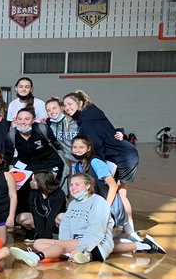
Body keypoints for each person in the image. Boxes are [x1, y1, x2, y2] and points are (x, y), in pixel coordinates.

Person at [10, 173, 161, 266]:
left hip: (94, 242)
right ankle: (143, 245)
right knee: (38, 243)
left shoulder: (98, 202)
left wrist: (81, 247)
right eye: (71, 185)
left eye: (77, 184)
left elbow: (96, 231)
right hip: (78, 242)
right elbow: (66, 226)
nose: (72, 188)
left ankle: (36, 256)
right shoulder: (74, 204)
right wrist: (66, 243)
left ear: (88, 186)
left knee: (60, 246)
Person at [62, 90, 145, 241]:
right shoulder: (92, 113)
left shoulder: (87, 123)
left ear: (80, 103)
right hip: (125, 153)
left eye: (70, 104)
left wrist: (95, 164)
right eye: (65, 105)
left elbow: (97, 147)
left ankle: (129, 231)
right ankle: (127, 230)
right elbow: (110, 132)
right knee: (119, 193)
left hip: (123, 157)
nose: (67, 108)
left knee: (118, 193)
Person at [8, 108, 63, 178]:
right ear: (16, 120)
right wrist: (18, 168)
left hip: (49, 165)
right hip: (28, 168)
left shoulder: (42, 129)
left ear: (34, 120)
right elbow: (9, 157)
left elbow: (56, 145)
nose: (23, 122)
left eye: (27, 119)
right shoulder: (11, 135)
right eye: (20, 119)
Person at [15, 171, 66, 241]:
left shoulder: (59, 193)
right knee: (21, 218)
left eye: (34, 181)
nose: (31, 182)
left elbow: (53, 215)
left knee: (61, 217)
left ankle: (61, 236)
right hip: (39, 221)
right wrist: (40, 234)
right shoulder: (33, 192)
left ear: (41, 181)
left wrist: (47, 235)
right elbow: (36, 213)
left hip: (54, 221)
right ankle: (33, 232)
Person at [43, 98, 79, 173]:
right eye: (48, 110)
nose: (51, 112)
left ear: (62, 108)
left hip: (81, 158)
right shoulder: (49, 125)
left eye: (54, 108)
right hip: (66, 160)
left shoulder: (75, 122)